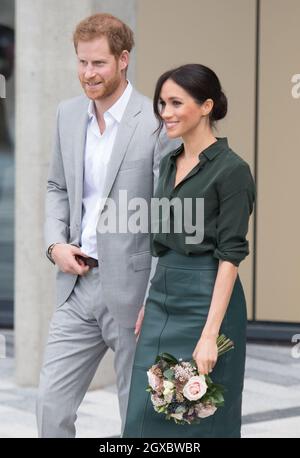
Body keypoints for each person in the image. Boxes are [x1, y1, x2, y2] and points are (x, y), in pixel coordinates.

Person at [36, 13, 178, 438]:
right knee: (50, 406)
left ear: (123, 60)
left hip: (133, 292)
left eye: (98, 63)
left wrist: (154, 294)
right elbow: (57, 186)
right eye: (81, 62)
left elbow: (164, 215)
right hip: (77, 286)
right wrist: (54, 244)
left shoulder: (156, 122)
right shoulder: (68, 114)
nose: (88, 73)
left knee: (136, 416)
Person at [123, 63, 256, 438]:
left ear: (206, 106)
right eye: (161, 103)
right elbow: (163, 242)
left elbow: (231, 254)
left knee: (202, 419)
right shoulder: (169, 163)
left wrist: (211, 333)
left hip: (207, 300)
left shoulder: (232, 171)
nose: (165, 113)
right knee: (142, 415)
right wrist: (151, 300)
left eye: (176, 103)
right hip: (163, 296)